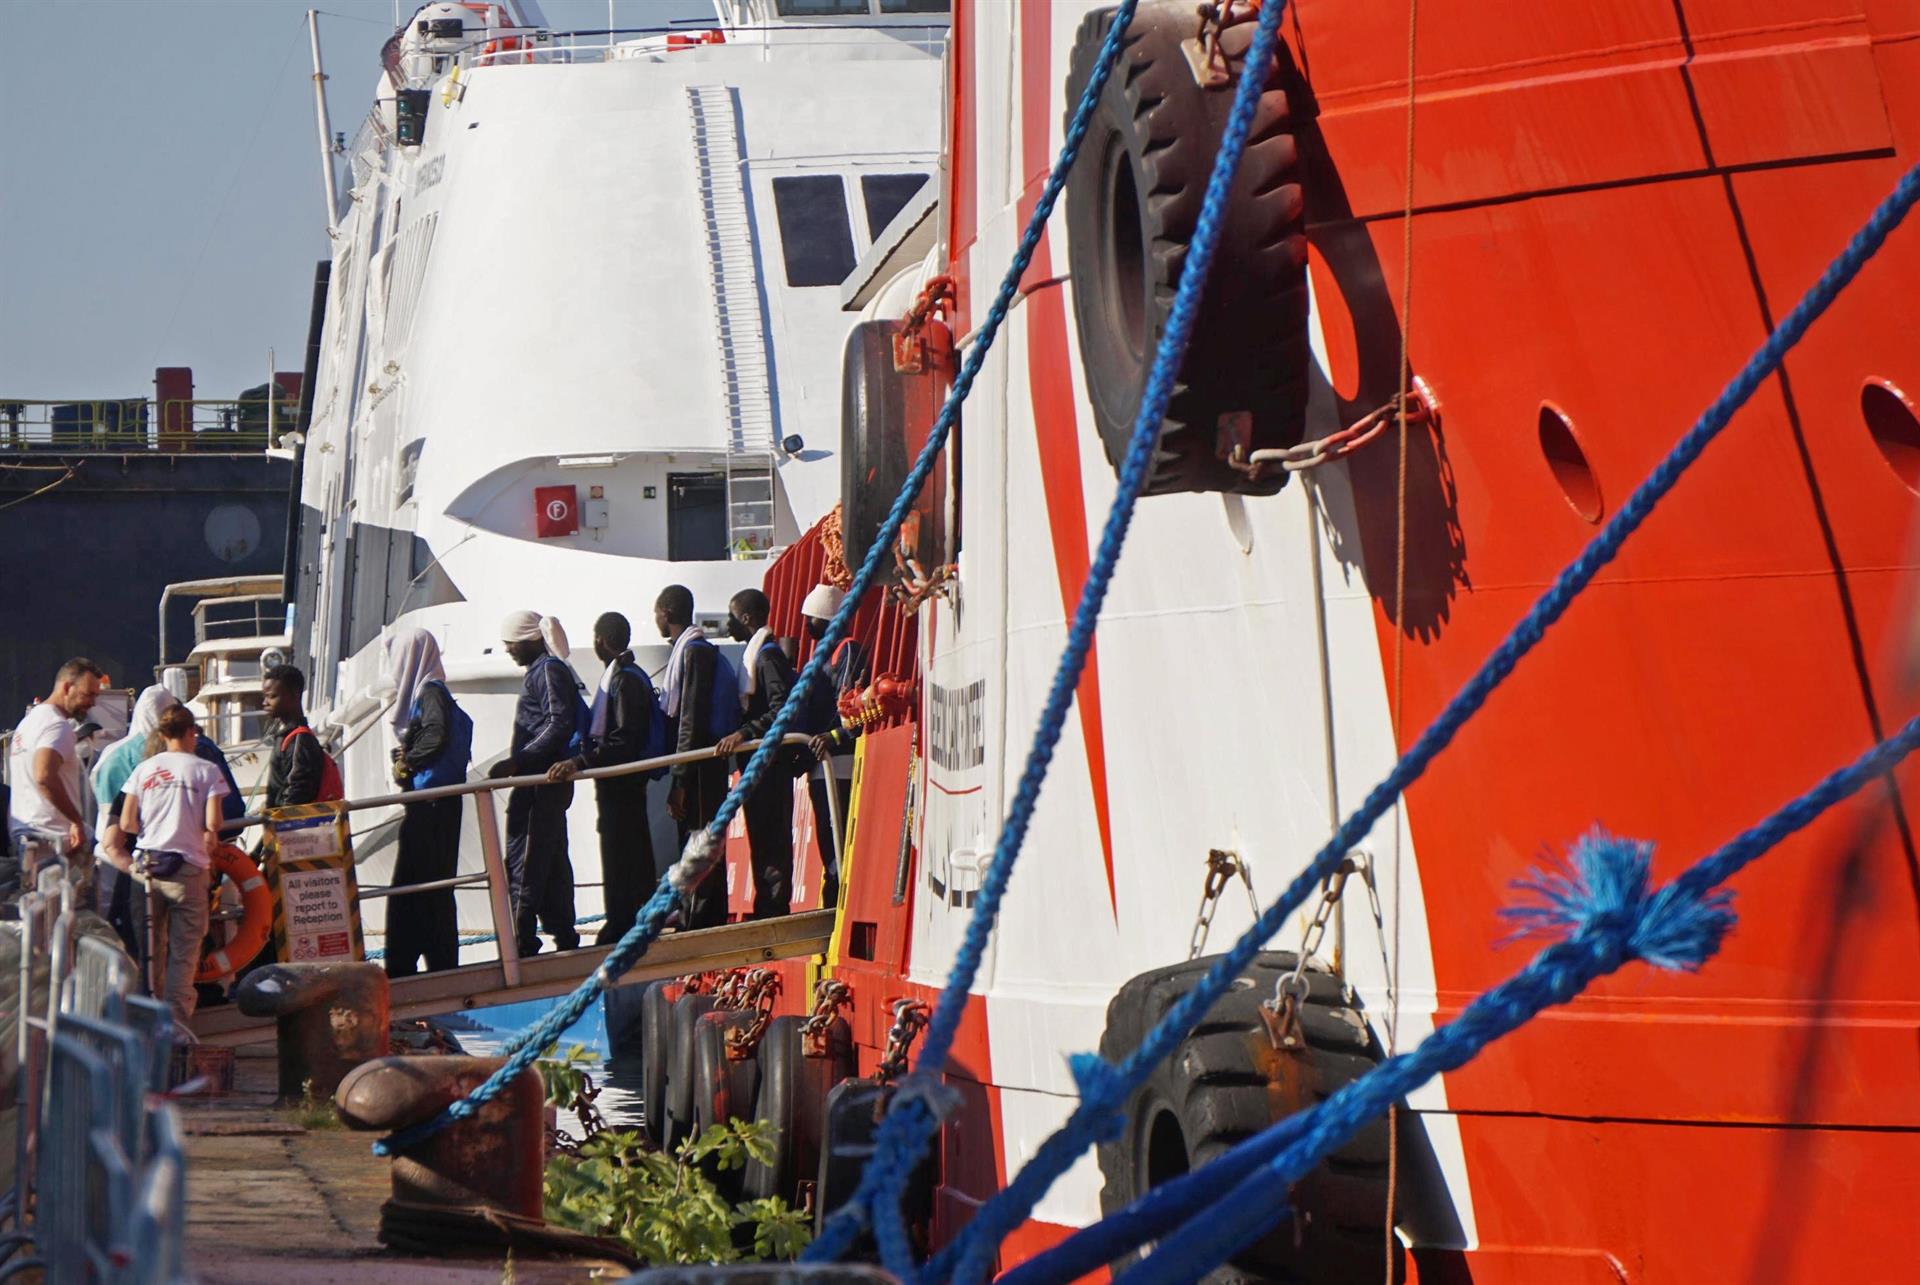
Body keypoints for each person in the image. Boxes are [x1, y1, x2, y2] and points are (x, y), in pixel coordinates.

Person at [548, 612, 660, 945]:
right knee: (630, 850)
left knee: (621, 852)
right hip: (622, 784)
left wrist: (582, 759)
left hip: (621, 784)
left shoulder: (624, 680)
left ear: (601, 640)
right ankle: (631, 918)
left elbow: (625, 738)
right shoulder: (628, 675)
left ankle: (622, 923)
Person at [117, 704, 230, 1028]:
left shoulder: (144, 769)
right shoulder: (206, 770)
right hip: (188, 869)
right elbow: (213, 822)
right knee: (184, 954)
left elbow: (126, 822)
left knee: (149, 950)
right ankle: (176, 1028)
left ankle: (143, 1023)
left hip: (148, 868)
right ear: (191, 732)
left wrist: (155, 830)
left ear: (163, 735)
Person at [490, 610, 584, 956]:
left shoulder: (546, 671)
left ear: (529, 640)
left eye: (511, 644)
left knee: (525, 860)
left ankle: (520, 941)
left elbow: (559, 722)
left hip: (538, 786)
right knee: (552, 861)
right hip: (542, 785)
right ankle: (563, 934)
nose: (508, 651)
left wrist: (519, 760)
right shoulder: (543, 670)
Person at [384, 629, 471, 977]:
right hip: (435, 804)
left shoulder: (431, 692)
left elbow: (436, 735)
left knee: (417, 887)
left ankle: (413, 967)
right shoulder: (431, 691)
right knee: (424, 888)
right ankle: (430, 963)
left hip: (432, 806)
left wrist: (409, 761)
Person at [715, 589, 802, 919]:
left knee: (771, 836)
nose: (728, 623)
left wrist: (744, 732)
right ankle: (766, 903)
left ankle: (774, 907)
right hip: (758, 765)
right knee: (762, 835)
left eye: (732, 615)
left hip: (768, 765)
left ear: (746, 618)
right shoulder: (762, 655)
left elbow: (782, 708)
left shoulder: (766, 658)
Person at [656, 585, 737, 929]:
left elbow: (690, 718)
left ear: (667, 614)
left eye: (657, 612)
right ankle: (695, 910)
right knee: (696, 838)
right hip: (699, 763)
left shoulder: (693, 653)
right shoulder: (688, 651)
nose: (655, 619)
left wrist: (680, 780)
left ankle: (702, 918)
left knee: (700, 837)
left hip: (702, 766)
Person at [799, 584, 868, 908]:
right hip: (818, 758)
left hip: (838, 759)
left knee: (837, 835)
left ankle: (838, 904)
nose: (805, 626)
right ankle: (830, 903)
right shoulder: (822, 656)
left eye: (810, 619)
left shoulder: (847, 650)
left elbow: (848, 707)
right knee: (826, 839)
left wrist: (833, 736)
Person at [6, 659, 105, 884]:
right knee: (72, 913)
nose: (92, 703)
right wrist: (76, 822)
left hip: (27, 835)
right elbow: (44, 776)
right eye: (88, 694)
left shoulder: (28, 723)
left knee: (39, 912)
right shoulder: (57, 726)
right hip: (55, 842)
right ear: (67, 687)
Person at [262, 664, 342, 811]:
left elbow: (298, 792)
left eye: (272, 696)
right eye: (265, 696)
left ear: (294, 696)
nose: (265, 703)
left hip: (292, 829)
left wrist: (278, 824)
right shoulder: (286, 737)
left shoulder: (300, 739)